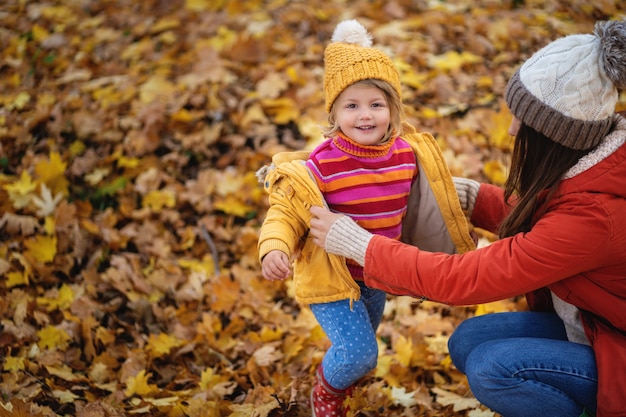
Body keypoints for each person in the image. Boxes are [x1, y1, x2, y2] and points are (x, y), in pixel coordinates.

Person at [308, 20, 626, 417]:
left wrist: (361, 245)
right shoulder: (593, 162)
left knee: (492, 370)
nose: (511, 130)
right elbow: (549, 216)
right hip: (597, 327)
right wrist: (471, 198)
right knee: (468, 342)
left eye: (522, 120)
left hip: (617, 355)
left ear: (554, 134)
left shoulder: (595, 219)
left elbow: (466, 278)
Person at [257, 19, 475, 417]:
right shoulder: (323, 163)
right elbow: (286, 210)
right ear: (334, 112)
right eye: (351, 105)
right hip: (334, 276)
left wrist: (459, 222)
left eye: (376, 105)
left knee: (359, 346)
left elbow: (429, 198)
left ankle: (345, 383)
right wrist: (275, 246)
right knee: (360, 354)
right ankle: (325, 394)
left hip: (377, 275)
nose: (365, 115)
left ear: (393, 109)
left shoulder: (407, 155)